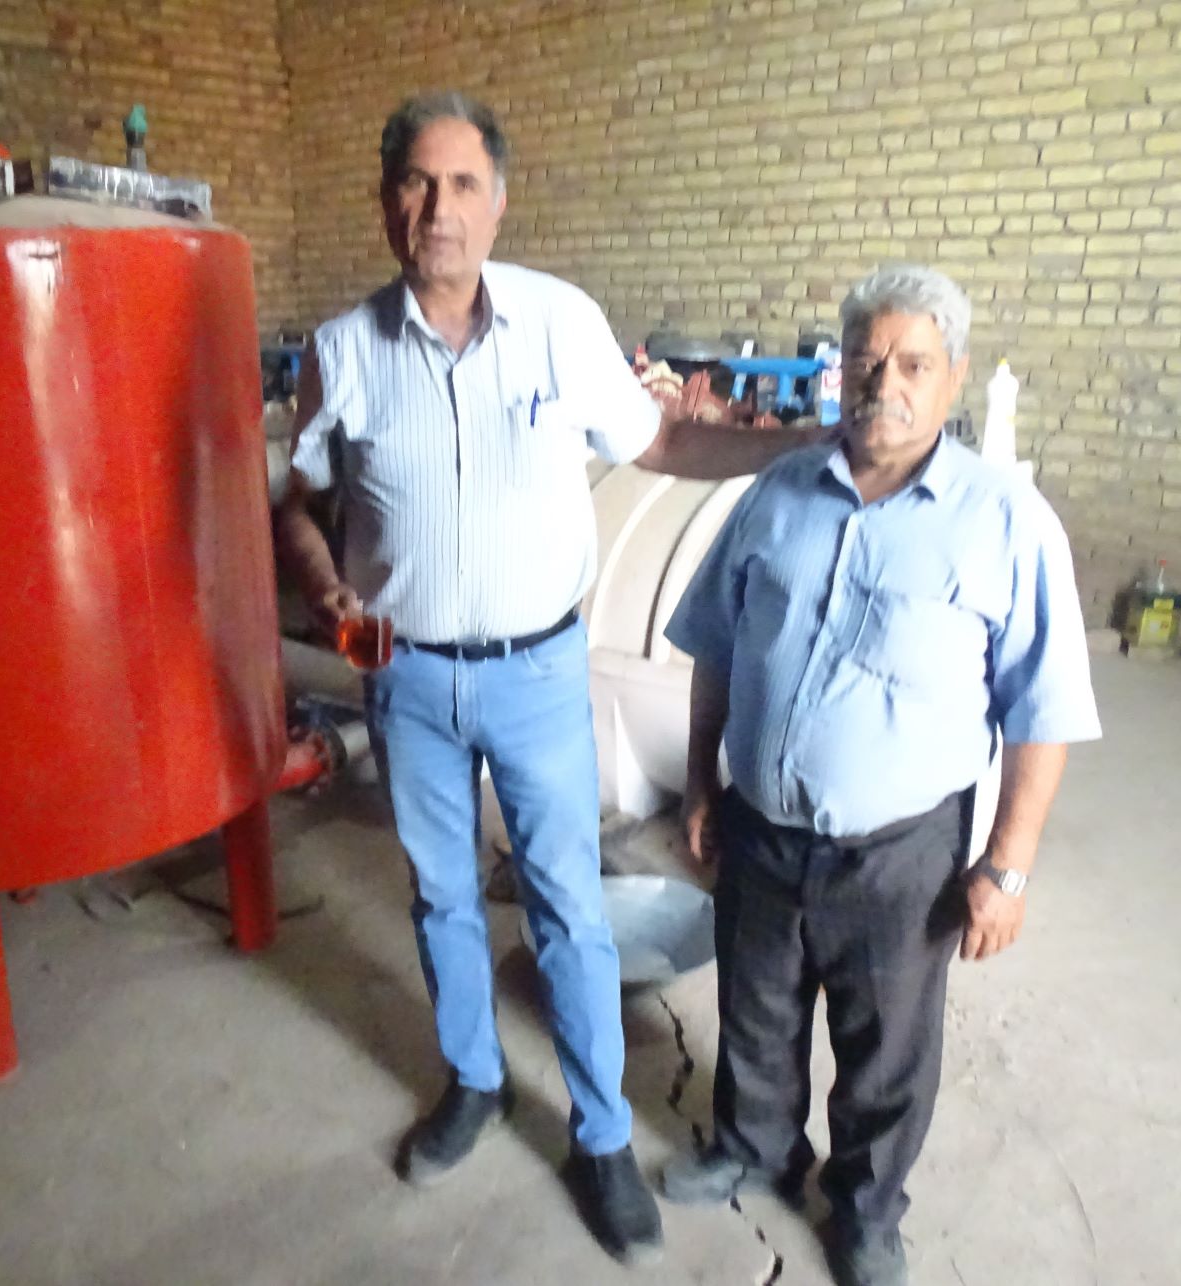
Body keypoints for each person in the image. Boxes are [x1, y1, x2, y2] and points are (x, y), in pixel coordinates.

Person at [273, 91, 813, 1266]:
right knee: (439, 895)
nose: (439, 210)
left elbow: (660, 444)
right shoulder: (341, 351)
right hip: (405, 677)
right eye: (417, 183)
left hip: (533, 673)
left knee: (566, 903)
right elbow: (297, 502)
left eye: (463, 185)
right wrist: (322, 587)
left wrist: (791, 445)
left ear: (500, 202)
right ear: (385, 203)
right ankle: (472, 1080)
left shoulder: (560, 324)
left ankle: (603, 1133)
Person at [658, 264, 1102, 1286]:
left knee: (885, 1047)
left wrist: (1009, 865)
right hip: (762, 825)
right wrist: (697, 782)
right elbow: (715, 644)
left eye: (911, 363)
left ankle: (864, 1210)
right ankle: (755, 1144)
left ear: (953, 378)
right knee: (755, 1011)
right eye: (863, 361)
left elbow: (1044, 710)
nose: (881, 384)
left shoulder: (1005, 521)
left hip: (900, 851)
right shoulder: (775, 492)